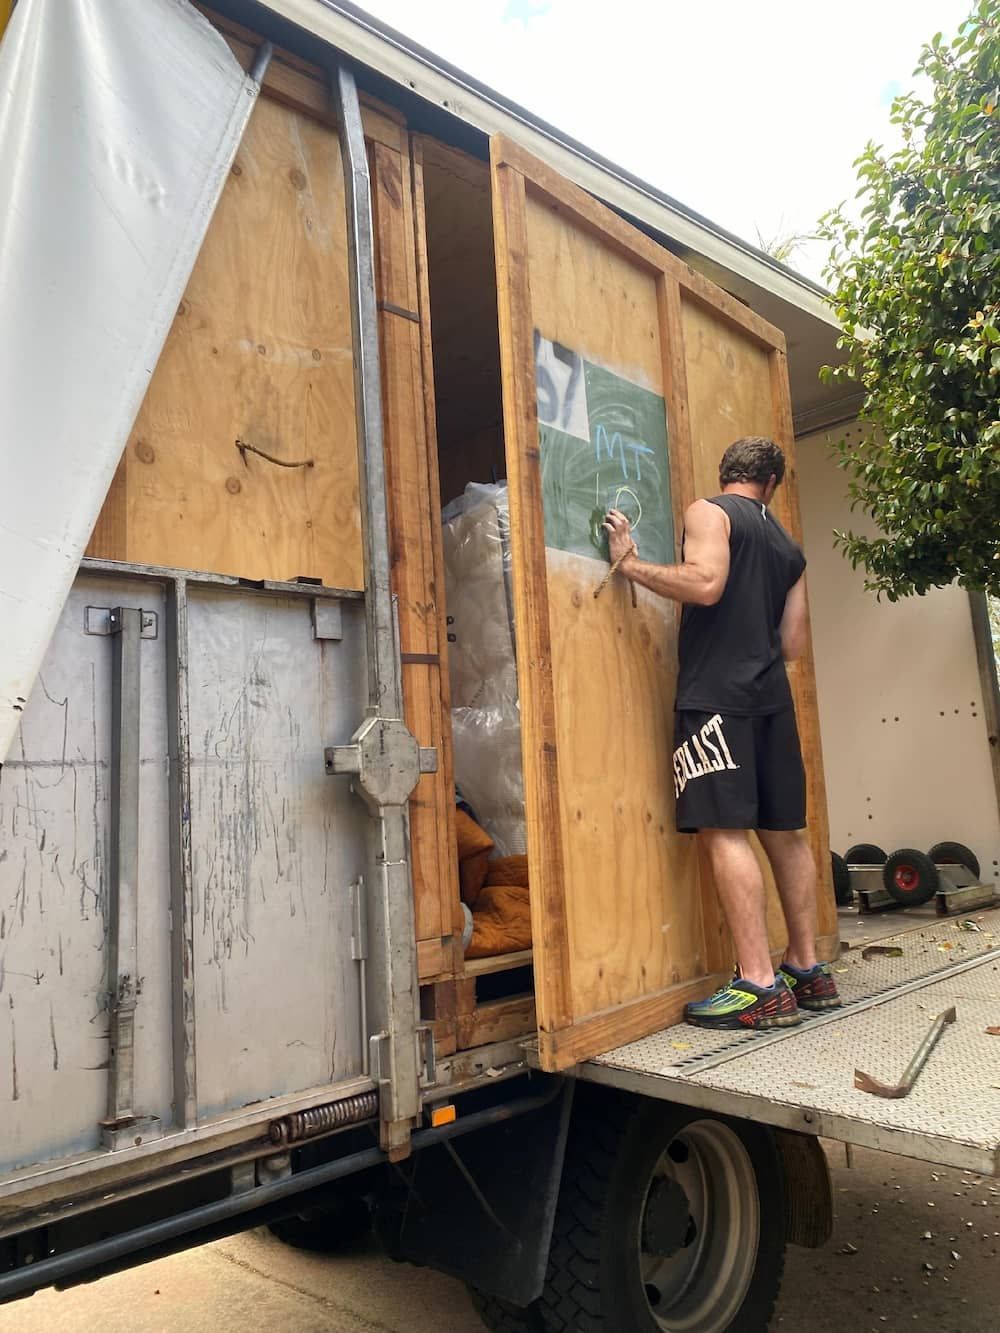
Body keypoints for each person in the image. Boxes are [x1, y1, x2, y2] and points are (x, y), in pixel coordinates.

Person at [603, 435, 840, 1030]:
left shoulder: (709, 511)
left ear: (726, 473)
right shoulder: (789, 549)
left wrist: (629, 563)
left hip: (716, 699)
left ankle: (758, 983)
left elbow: (705, 584)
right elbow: (792, 644)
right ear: (772, 483)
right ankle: (807, 969)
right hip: (771, 703)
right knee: (784, 833)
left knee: (724, 830)